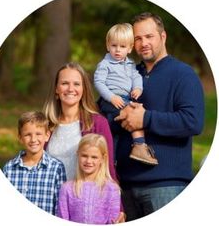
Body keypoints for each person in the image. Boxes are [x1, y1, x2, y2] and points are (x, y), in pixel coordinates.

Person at [114, 12, 205, 220]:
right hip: (126, 186)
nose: (143, 43)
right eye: (137, 38)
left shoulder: (183, 74)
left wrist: (146, 119)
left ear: (163, 37)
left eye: (149, 36)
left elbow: (193, 122)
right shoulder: (126, 74)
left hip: (166, 186)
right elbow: (107, 115)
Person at [43, 62, 125, 223]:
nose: (70, 88)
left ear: (83, 89)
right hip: (49, 204)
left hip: (84, 208)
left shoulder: (97, 123)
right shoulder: (46, 125)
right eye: (65, 83)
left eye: (76, 84)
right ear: (56, 90)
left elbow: (108, 168)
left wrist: (119, 208)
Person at [94, 23, 158, 165]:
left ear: (129, 48)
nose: (117, 50)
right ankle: (139, 146)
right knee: (132, 115)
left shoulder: (130, 65)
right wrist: (111, 97)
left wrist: (138, 89)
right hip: (110, 100)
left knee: (114, 134)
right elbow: (99, 82)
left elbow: (136, 77)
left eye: (122, 47)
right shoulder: (105, 64)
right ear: (107, 45)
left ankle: (112, 161)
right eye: (114, 45)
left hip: (125, 99)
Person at [3, 111, 67, 215]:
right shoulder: (9, 169)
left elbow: (59, 208)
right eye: (28, 135)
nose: (33, 139)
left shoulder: (56, 168)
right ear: (20, 138)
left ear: (47, 136)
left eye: (38, 134)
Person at [57, 133, 121, 224]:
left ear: (103, 158)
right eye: (84, 156)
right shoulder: (67, 188)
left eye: (94, 157)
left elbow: (113, 221)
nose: (88, 161)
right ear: (78, 155)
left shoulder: (112, 189)